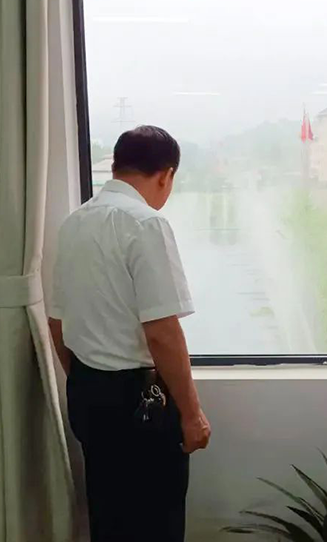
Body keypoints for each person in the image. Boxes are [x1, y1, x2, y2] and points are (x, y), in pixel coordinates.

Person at [47, 125, 211, 542]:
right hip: (139, 405)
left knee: (109, 519)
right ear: (166, 175)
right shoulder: (146, 224)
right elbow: (162, 332)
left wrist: (86, 380)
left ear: (117, 166)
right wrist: (192, 415)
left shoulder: (74, 224)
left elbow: (56, 322)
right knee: (155, 522)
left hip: (87, 394)